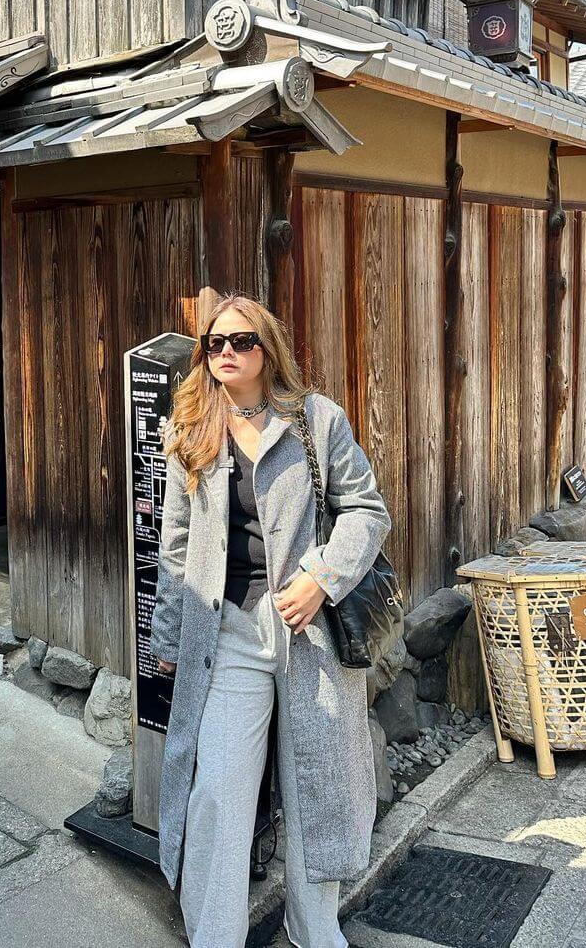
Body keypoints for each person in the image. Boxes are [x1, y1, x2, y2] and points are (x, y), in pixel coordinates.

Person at [149, 294, 391, 948]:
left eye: (242, 341)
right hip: (227, 632)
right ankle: (215, 935)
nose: (226, 352)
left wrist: (321, 578)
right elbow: (175, 546)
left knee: (317, 783)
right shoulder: (191, 429)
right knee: (218, 791)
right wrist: (168, 636)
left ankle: (314, 928)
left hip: (310, 633)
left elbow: (367, 510)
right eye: (215, 343)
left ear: (267, 347)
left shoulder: (316, 419)